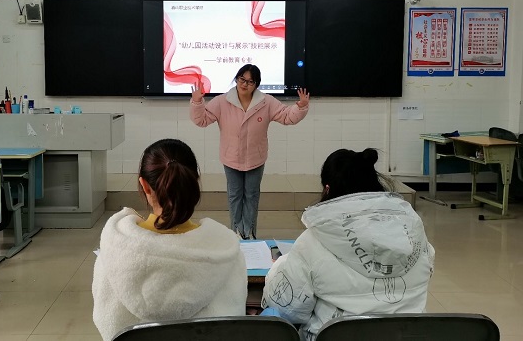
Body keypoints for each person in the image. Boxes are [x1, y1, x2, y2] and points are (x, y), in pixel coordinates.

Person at [261, 148, 435, 341]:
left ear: (327, 189)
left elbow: (290, 309)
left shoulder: (312, 240)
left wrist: (279, 266)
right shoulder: (414, 231)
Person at [92, 138, 247, 341]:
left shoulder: (113, 251)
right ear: (194, 182)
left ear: (144, 186)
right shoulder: (227, 251)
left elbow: (108, 324)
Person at [190, 64, 309, 240]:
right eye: (242, 79)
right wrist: (197, 103)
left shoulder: (266, 102)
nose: (244, 84)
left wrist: (300, 107)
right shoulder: (222, 101)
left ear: (256, 85)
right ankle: (236, 232)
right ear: (237, 79)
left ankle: (250, 233)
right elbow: (201, 120)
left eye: (250, 81)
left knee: (252, 196)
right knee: (235, 196)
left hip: (255, 159)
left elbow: (286, 116)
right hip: (231, 158)